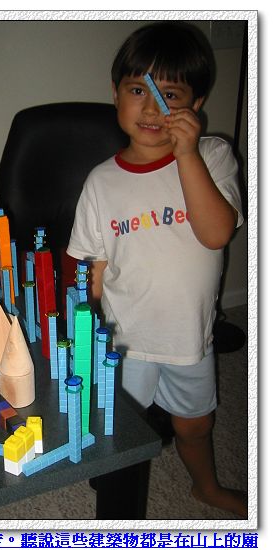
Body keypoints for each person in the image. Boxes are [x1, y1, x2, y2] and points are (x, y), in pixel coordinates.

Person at [66, 21, 247, 517]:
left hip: (189, 337)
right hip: (124, 341)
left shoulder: (213, 155)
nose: (151, 108)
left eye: (170, 94)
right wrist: (83, 336)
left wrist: (186, 153)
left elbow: (216, 233)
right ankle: (111, 475)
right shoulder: (101, 182)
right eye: (138, 90)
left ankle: (205, 487)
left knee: (196, 425)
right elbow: (92, 268)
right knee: (117, 427)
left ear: (197, 102)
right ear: (116, 93)